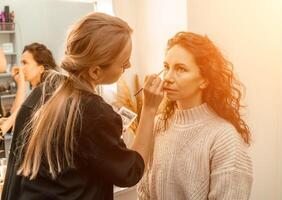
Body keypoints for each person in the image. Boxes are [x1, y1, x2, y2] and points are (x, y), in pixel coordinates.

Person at [2, 12, 164, 200]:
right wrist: (150, 109)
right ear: (95, 71)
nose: (128, 66)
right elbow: (130, 172)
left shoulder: (42, 92)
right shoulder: (92, 112)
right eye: (124, 63)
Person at [137, 32, 253, 200]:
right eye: (166, 67)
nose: (167, 78)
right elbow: (144, 192)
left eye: (180, 69)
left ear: (204, 80)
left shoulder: (224, 138)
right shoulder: (157, 125)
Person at [0, 43, 57, 135]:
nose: (21, 68)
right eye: (21, 63)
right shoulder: (35, 94)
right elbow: (13, 122)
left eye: (25, 63)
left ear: (41, 68)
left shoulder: (47, 96)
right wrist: (21, 84)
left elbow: (12, 124)